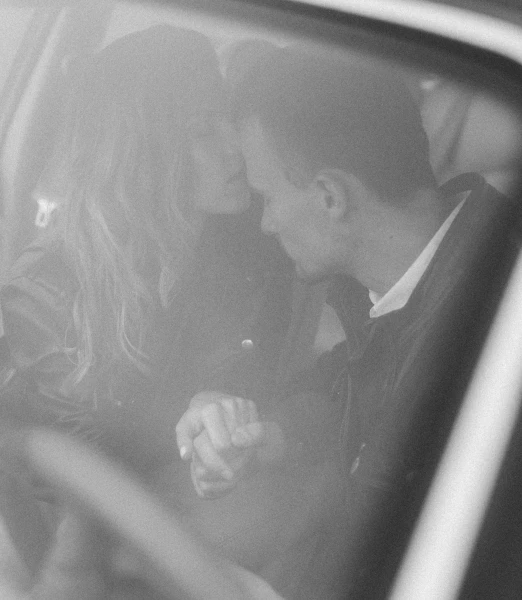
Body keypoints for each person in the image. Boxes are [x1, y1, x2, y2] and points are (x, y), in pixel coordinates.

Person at [176, 45, 519, 598]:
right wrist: (261, 433)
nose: (263, 223)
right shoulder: (407, 290)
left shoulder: (484, 342)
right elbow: (342, 389)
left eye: (266, 196)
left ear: (331, 196)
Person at [0, 23, 295, 592]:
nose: (232, 146)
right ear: (143, 153)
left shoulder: (253, 249)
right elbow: (40, 510)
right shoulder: (43, 303)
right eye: (199, 132)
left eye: (224, 117)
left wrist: (226, 430)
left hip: (205, 535)